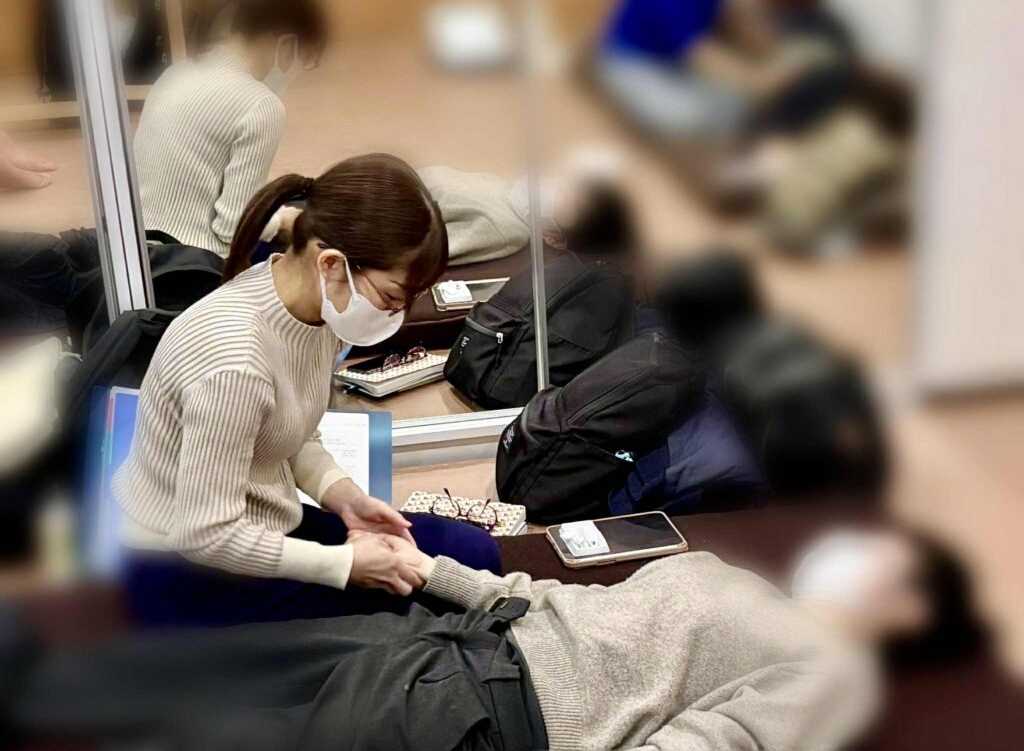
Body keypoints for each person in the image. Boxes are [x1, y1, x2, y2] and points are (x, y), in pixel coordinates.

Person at [7, 525, 986, 750]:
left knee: (222, 738)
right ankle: (29, 678)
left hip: (493, 715)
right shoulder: (732, 578)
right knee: (209, 668)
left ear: (908, 614)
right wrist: (426, 569)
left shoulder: (839, 670)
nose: (853, 548)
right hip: (460, 641)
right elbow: (550, 595)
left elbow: (710, 748)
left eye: (887, 561)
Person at [112, 153, 500, 628]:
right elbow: (205, 533)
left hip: (260, 524)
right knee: (431, 604)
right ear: (332, 263)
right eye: (391, 297)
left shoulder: (311, 307)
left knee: (469, 556)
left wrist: (344, 496)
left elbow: (290, 431)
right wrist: (344, 566)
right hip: (188, 572)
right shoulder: (235, 362)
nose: (395, 316)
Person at [132, 0, 326, 255]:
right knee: (311, 227)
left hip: (141, 250)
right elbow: (233, 226)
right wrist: (283, 221)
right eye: (303, 57)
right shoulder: (261, 104)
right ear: (287, 42)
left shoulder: (174, 74)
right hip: (200, 262)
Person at [595, 0, 844, 140]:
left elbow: (732, 14)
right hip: (631, 65)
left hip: (677, 63)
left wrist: (778, 51)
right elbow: (702, 54)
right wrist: (766, 77)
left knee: (735, 108)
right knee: (691, 116)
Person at [419, 161, 636, 265]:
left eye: (567, 202)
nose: (556, 188)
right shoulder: (504, 188)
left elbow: (419, 255)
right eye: (567, 186)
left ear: (554, 238)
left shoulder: (507, 232)